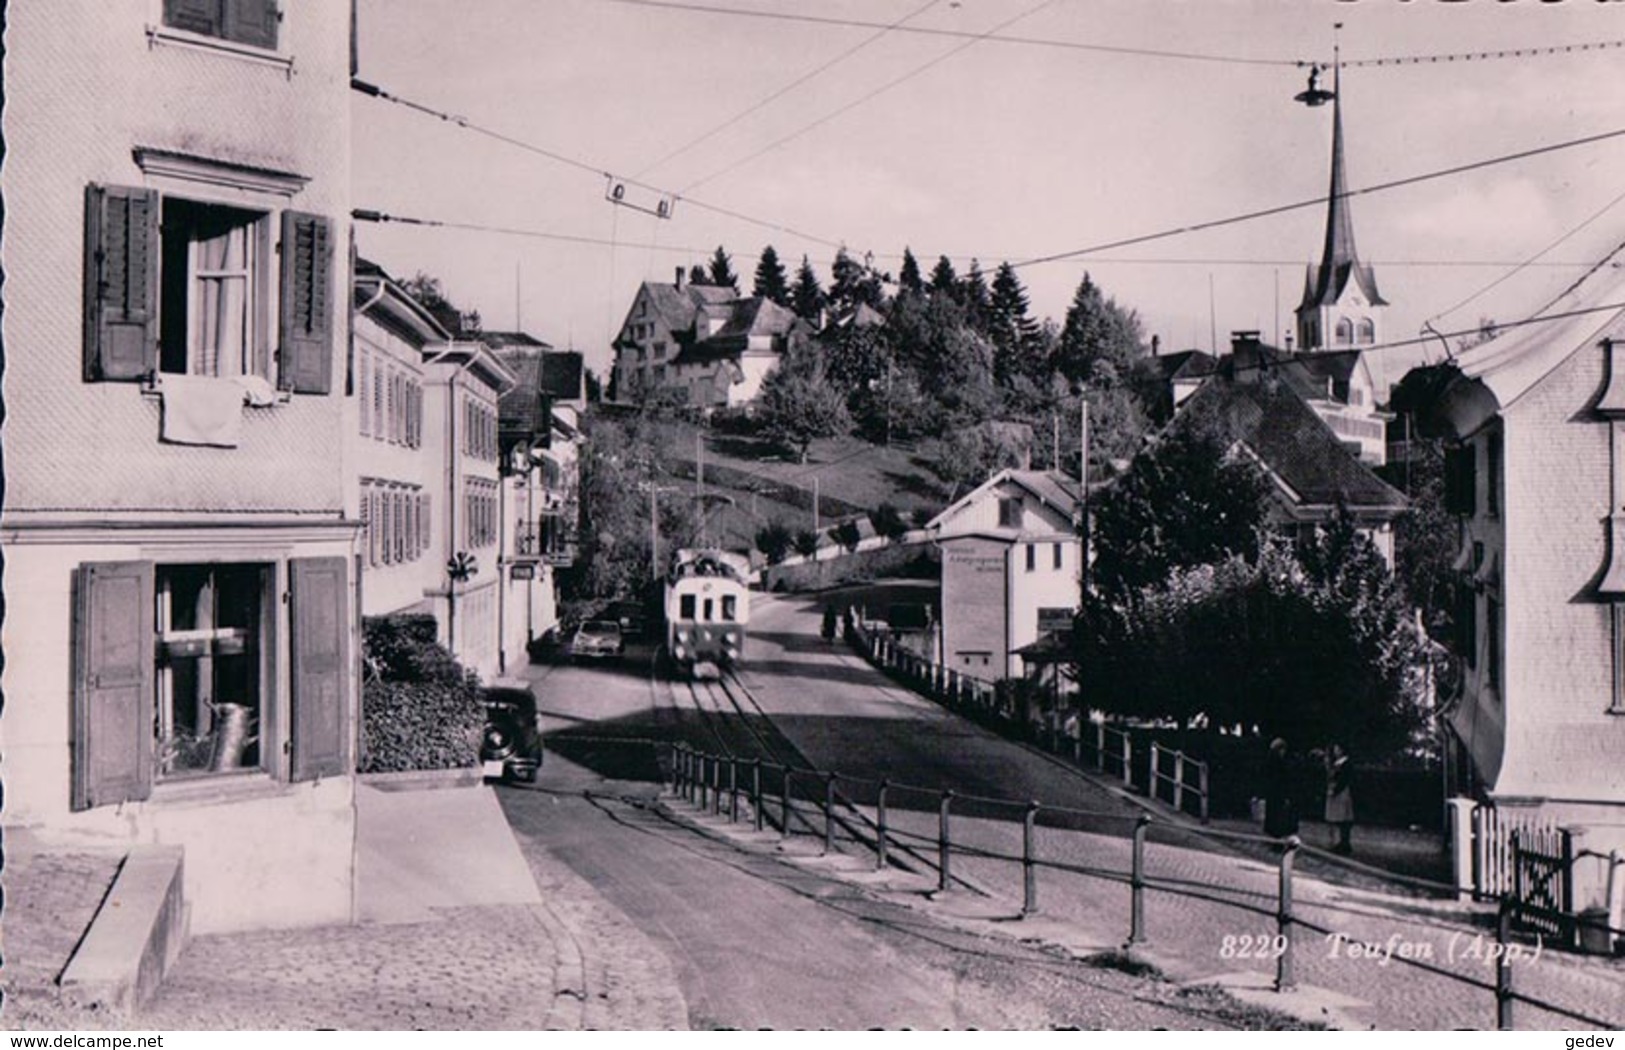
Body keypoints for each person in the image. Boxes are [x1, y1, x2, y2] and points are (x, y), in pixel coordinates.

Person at [1262, 738, 1298, 838]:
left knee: (1273, 815)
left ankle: (1273, 835)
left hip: (1273, 792)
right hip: (1278, 792)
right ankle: (1276, 836)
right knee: (1278, 816)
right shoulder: (1279, 762)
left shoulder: (1270, 760)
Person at [1324, 743, 1354, 854]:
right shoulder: (1337, 763)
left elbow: (1344, 779)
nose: (1335, 751)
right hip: (1337, 791)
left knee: (1343, 819)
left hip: (1341, 792)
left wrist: (1335, 790)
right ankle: (1340, 843)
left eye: (1337, 749)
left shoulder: (1346, 764)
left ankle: (1344, 844)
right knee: (1338, 819)